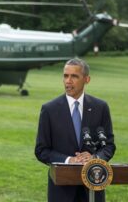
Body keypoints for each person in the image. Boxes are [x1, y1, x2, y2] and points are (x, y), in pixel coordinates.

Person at [35, 58, 116, 202]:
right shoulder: (49, 109)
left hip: (93, 187)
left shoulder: (101, 107)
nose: (68, 81)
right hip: (61, 190)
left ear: (87, 79)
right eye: (65, 76)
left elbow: (108, 146)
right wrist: (69, 160)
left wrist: (94, 159)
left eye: (74, 76)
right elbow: (42, 150)